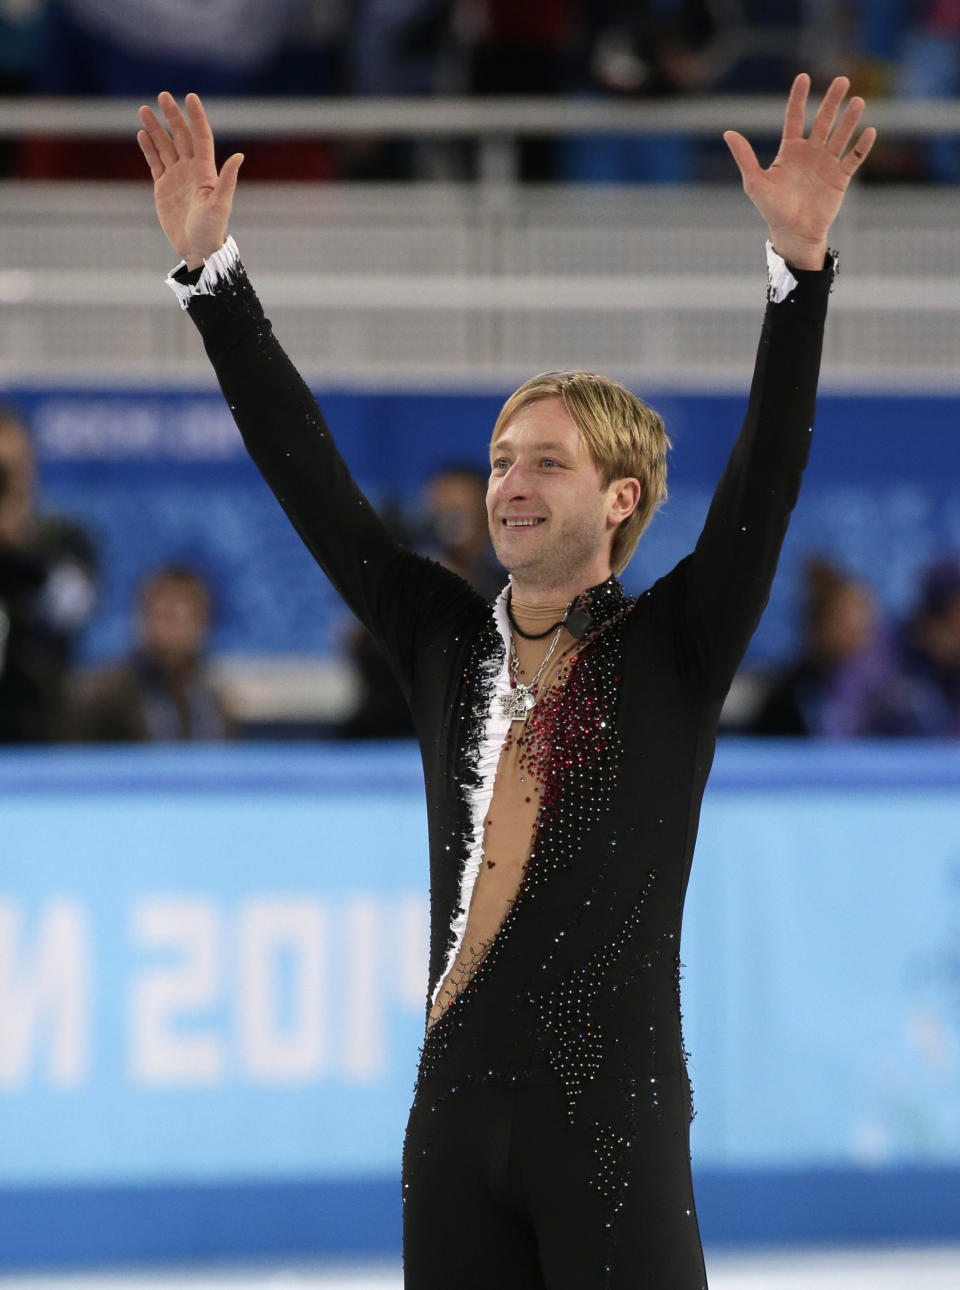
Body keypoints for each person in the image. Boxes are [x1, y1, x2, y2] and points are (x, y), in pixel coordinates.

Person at [136, 75, 875, 1287]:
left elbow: (765, 487)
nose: (510, 482)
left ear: (619, 499)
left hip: (612, 1126)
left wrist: (798, 277)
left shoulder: (675, 647)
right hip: (450, 1122)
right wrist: (213, 276)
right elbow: (310, 479)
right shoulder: (443, 637)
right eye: (498, 460)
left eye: (546, 461)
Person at [0, 407, 98, 742]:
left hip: (41, 722)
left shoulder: (64, 539)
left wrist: (19, 544)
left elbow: (71, 608)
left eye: (11, 469)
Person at [71, 563, 232, 742]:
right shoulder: (105, 698)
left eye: (176, 618)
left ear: (202, 624)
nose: (167, 630)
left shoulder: (211, 703)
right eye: (160, 615)